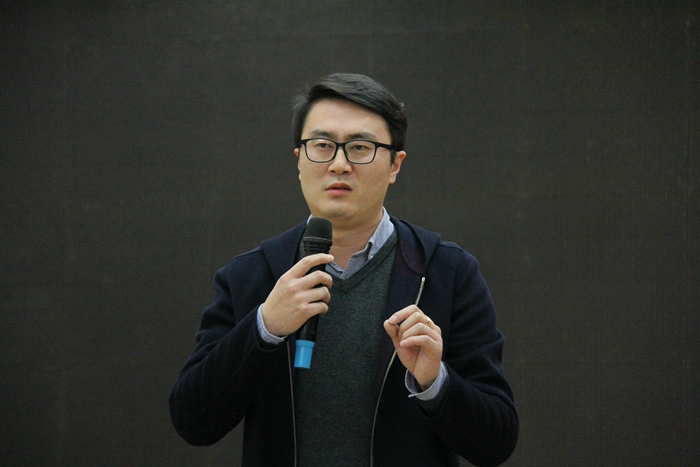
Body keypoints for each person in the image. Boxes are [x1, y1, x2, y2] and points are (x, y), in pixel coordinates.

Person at [169, 73, 518, 467]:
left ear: (395, 165)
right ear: (299, 159)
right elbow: (193, 421)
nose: (339, 164)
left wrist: (435, 383)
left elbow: (496, 442)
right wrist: (264, 328)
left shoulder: (447, 273)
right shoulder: (251, 276)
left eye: (360, 147)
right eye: (322, 146)